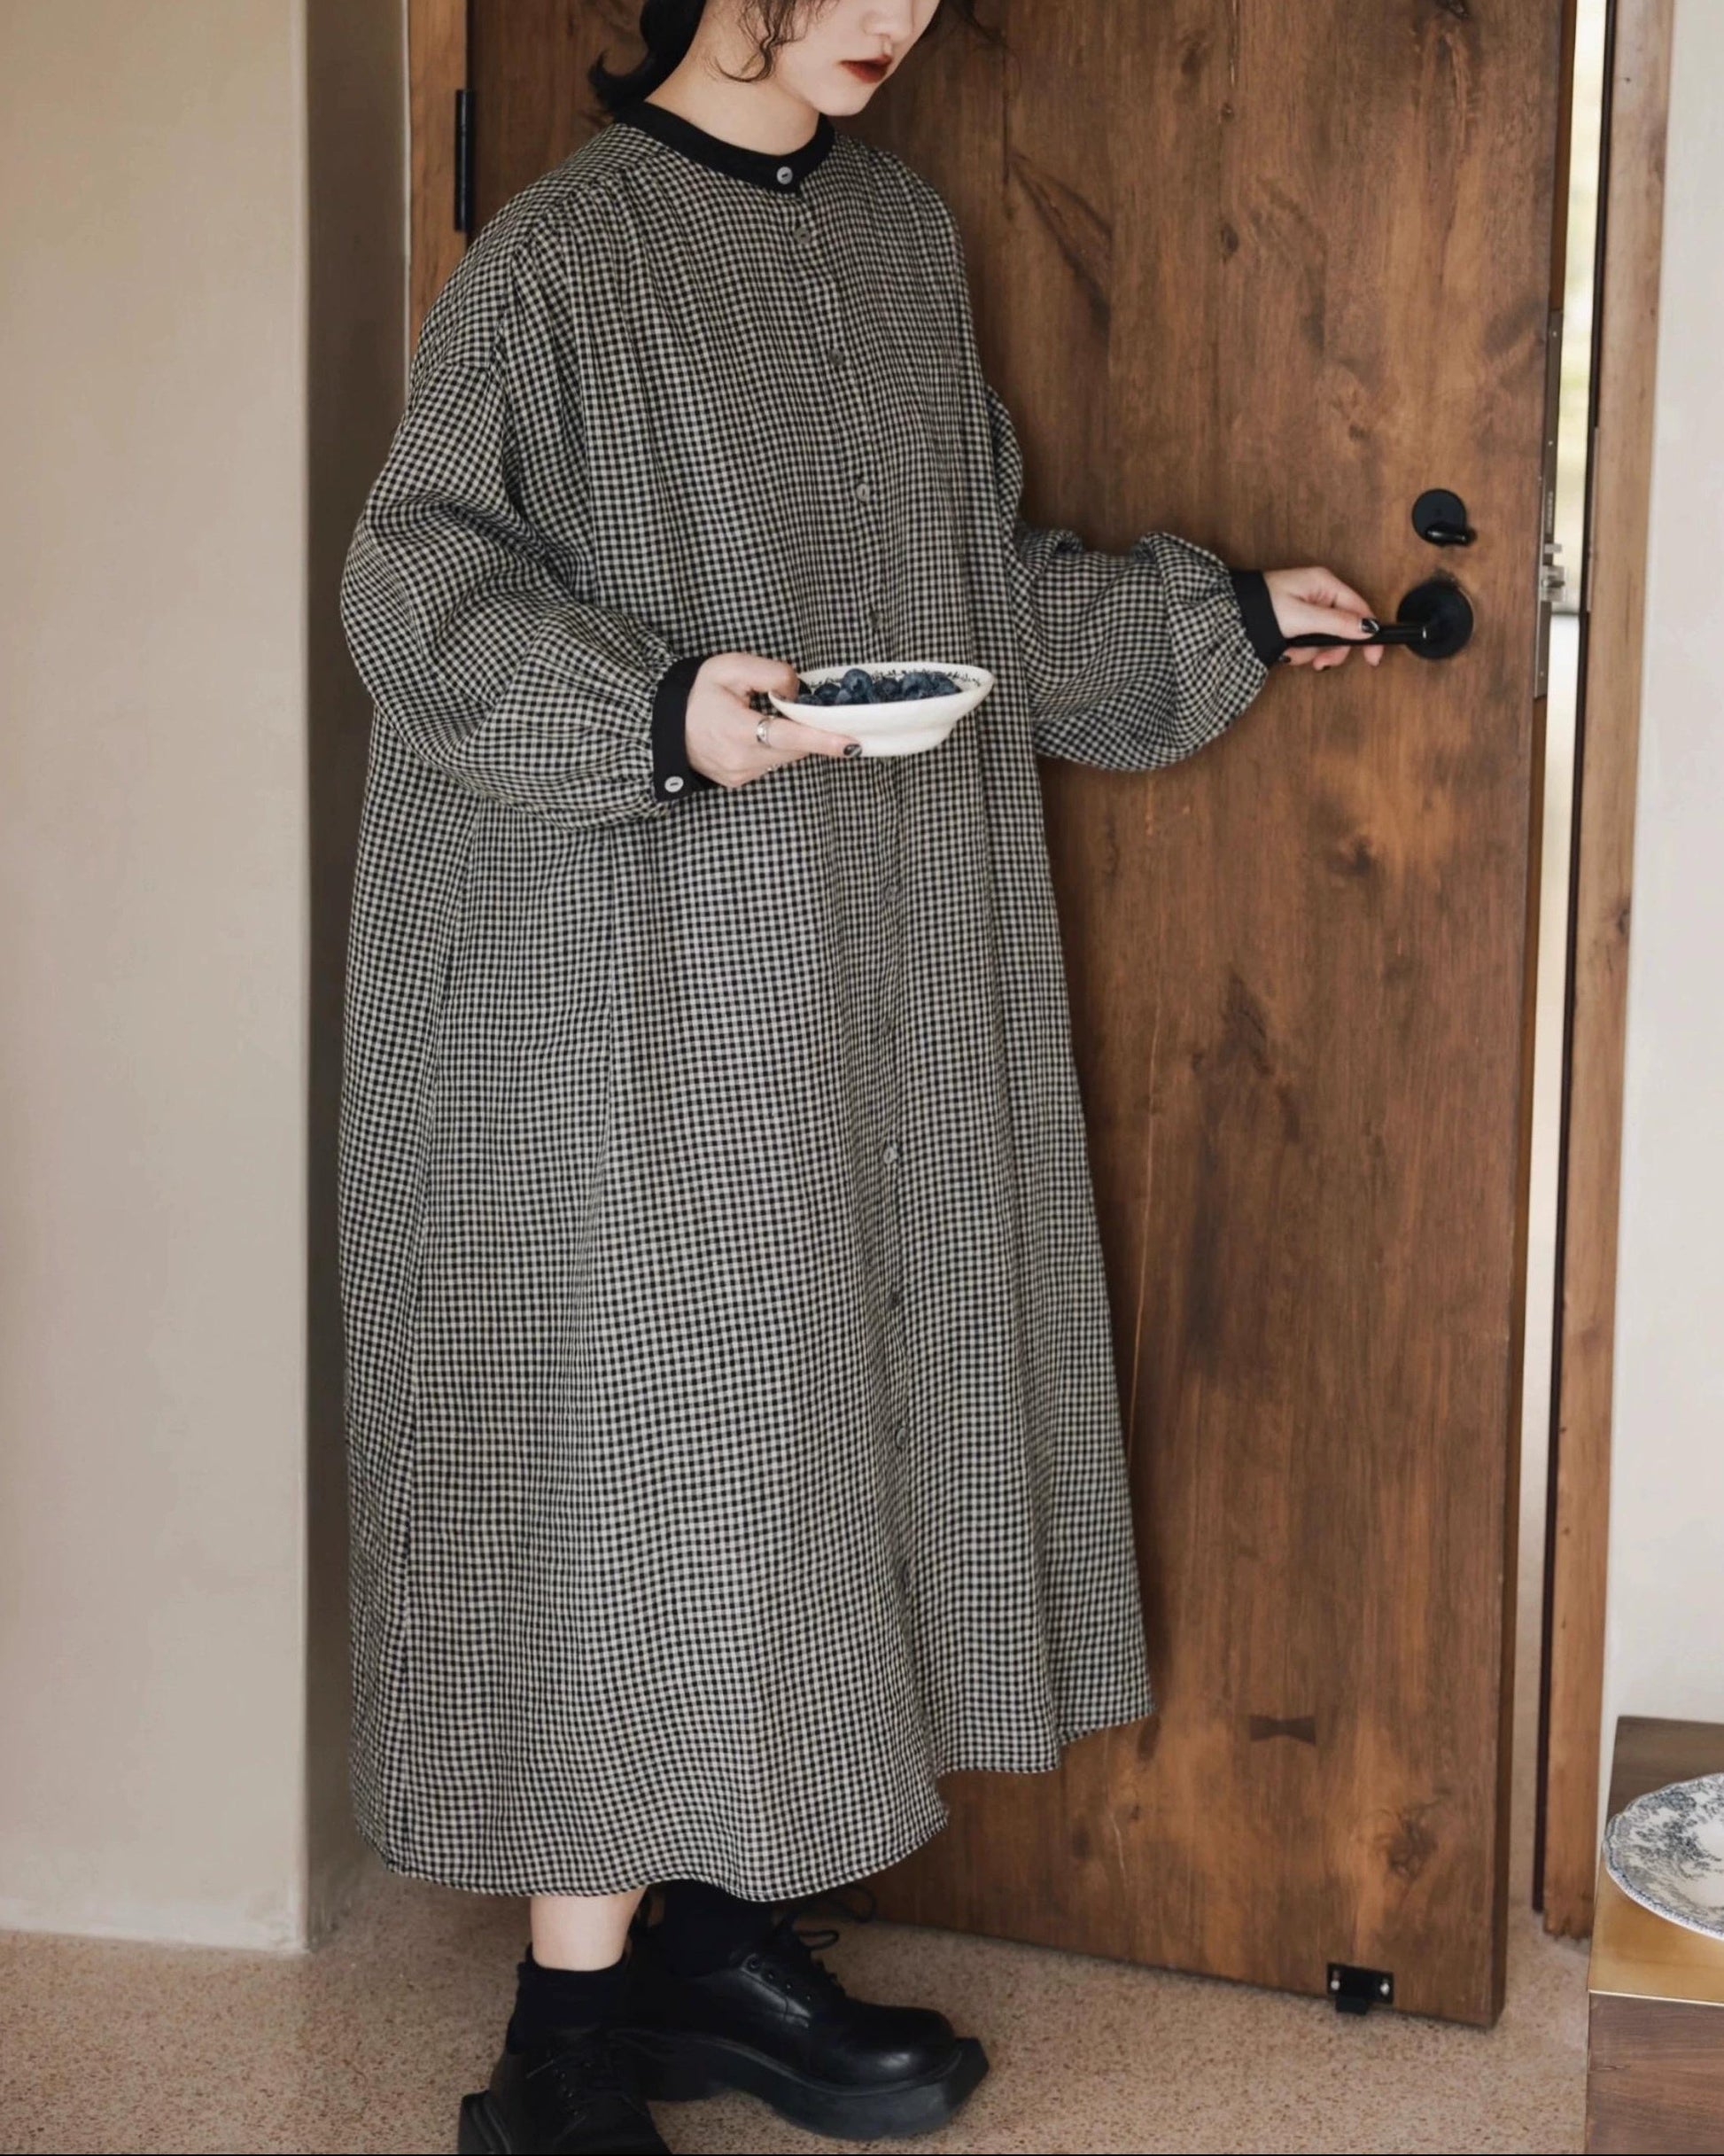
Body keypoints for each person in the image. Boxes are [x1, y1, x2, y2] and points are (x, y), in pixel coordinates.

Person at [338, 2, 1384, 2150]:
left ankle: (717, 1942)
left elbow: (967, 599)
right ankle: (557, 2048)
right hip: (626, 969)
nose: (891, 12)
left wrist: (1219, 621)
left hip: (879, 953)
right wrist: (657, 712)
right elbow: (413, 582)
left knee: (824, 1429)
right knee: (642, 1457)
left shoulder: (901, 242)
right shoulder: (561, 256)